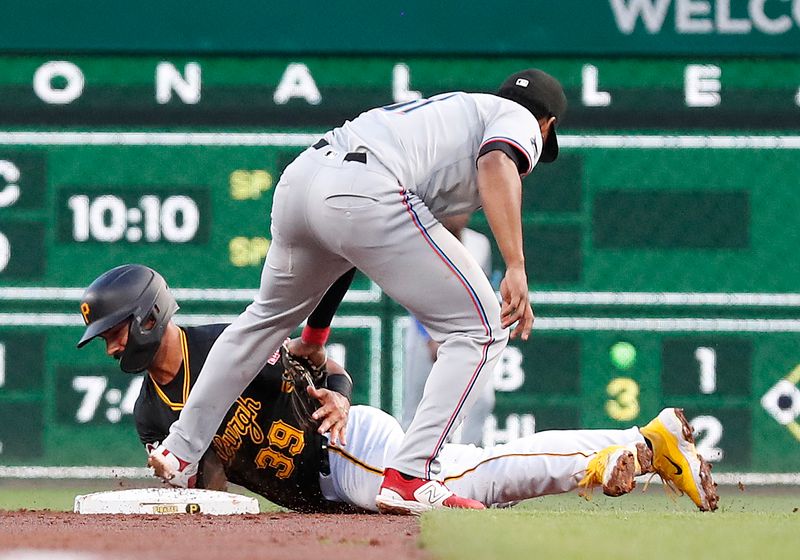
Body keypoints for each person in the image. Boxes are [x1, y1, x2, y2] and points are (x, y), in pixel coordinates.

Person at [149, 68, 608, 514]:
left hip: (304, 179)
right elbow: (495, 161)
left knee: (262, 323)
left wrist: (314, 338)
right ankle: (411, 476)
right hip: (365, 188)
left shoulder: (455, 112)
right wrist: (515, 265)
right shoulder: (518, 117)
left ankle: (180, 451)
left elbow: (347, 243)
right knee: (483, 329)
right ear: (547, 125)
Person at [77, 264, 719, 513]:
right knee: (473, 478)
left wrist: (341, 391)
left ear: (148, 316)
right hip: (322, 495)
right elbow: (215, 489)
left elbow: (319, 367)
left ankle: (624, 449)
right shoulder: (148, 413)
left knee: (477, 478)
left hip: (345, 451)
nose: (110, 346)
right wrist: (183, 482)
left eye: (113, 331)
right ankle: (634, 445)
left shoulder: (224, 342)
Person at [402, 213, 494, 445]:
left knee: (481, 400)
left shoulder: (479, 244)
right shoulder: (423, 242)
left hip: (467, 333)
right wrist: (430, 336)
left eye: (465, 209)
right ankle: (405, 470)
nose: (460, 214)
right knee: (417, 408)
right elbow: (413, 292)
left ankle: (470, 466)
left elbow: (484, 296)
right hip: (424, 333)